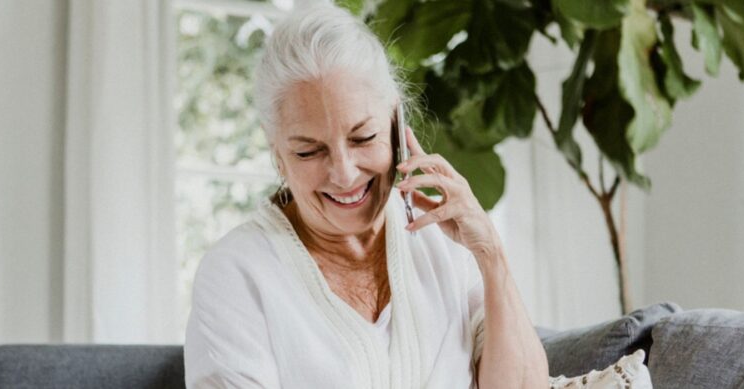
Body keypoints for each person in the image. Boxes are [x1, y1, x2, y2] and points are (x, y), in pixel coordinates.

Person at [184, 3, 548, 388]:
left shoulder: (447, 245)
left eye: (363, 138)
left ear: (397, 123)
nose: (343, 174)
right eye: (309, 151)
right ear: (277, 153)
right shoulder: (236, 273)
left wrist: (490, 253)